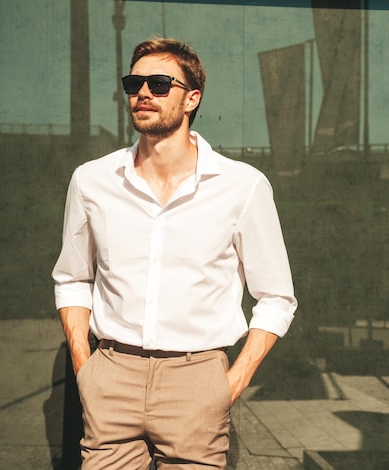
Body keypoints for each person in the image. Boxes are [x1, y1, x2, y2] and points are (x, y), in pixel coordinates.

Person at [52, 37, 297, 469]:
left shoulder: (242, 186)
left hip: (197, 378)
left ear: (192, 99)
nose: (144, 93)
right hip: (111, 374)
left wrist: (228, 384)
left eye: (160, 83)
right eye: (134, 83)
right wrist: (85, 367)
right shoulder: (92, 181)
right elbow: (72, 278)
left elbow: (276, 297)